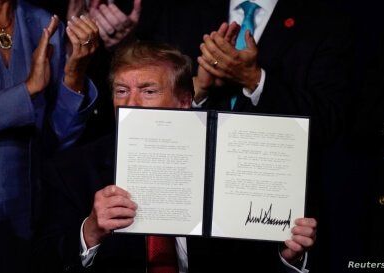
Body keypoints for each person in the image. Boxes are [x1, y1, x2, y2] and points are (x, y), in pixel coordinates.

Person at [33, 41, 317, 273]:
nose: (131, 104)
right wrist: (90, 232)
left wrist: (286, 256)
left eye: (148, 91)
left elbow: (248, 263)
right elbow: (44, 260)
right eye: (121, 91)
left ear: (183, 102)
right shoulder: (72, 170)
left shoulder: (226, 166)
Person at [0, 0, 99, 272]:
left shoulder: (43, 22)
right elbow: (29, 95)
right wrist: (27, 91)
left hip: (28, 220)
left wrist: (74, 72)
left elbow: (54, 139)